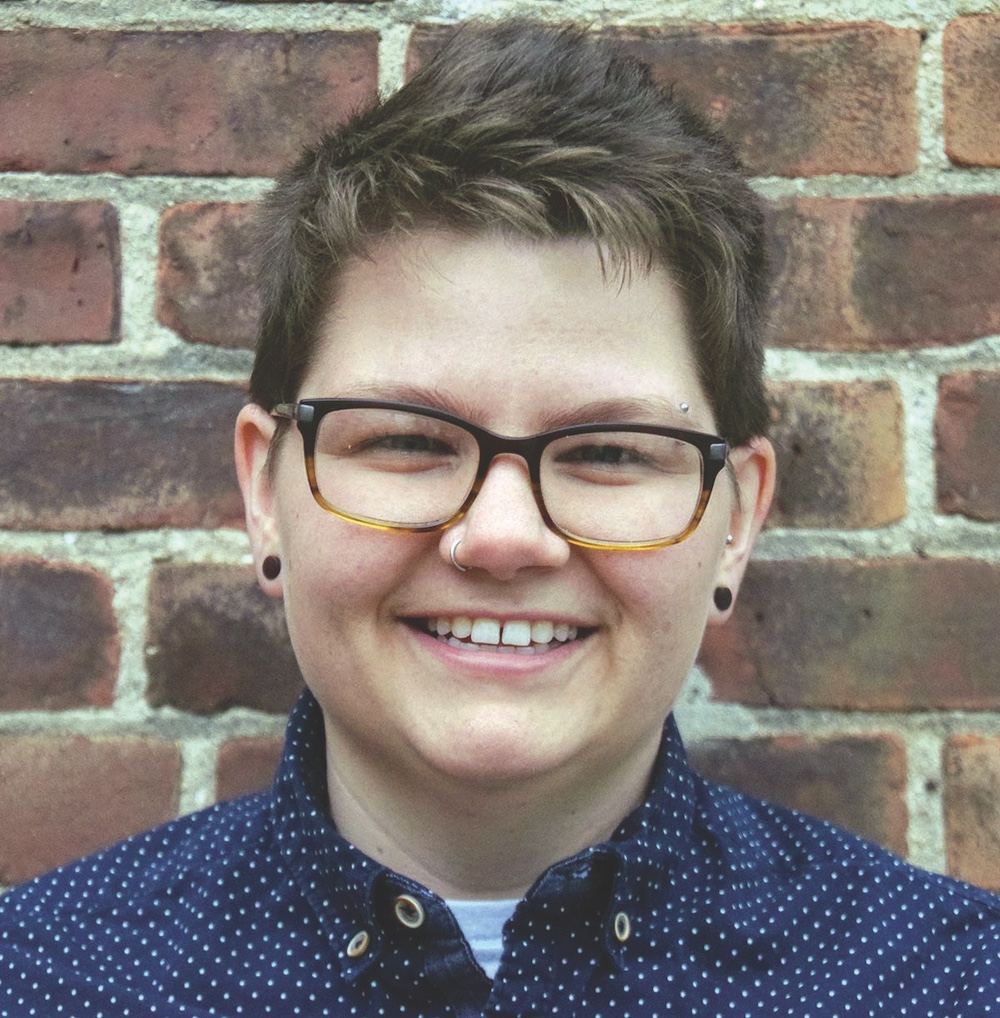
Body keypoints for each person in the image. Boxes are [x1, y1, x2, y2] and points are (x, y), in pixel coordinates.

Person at [1, 19, 998, 1018]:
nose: (503, 536)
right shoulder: (46, 980)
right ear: (266, 493)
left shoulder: (941, 984)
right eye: (406, 440)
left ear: (734, 520)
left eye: (609, 451)